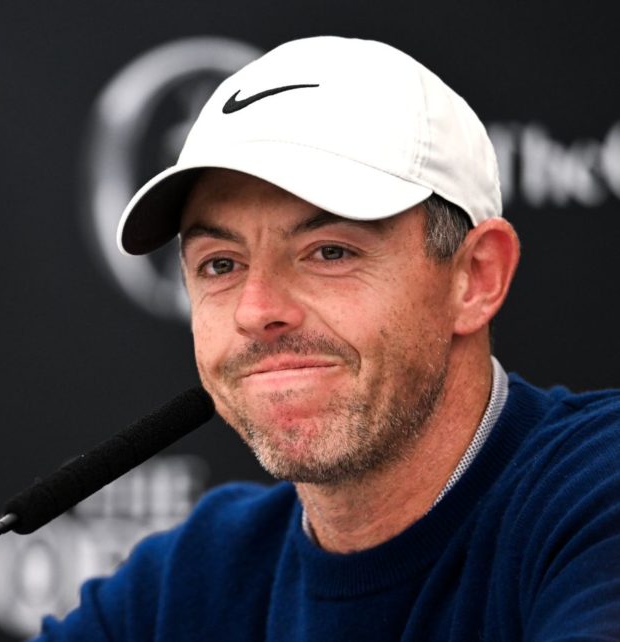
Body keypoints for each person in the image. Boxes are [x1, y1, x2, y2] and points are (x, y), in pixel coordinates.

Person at [34, 36, 620, 640]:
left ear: (474, 278)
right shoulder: (187, 582)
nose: (257, 311)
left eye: (329, 252)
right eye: (220, 265)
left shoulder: (596, 495)